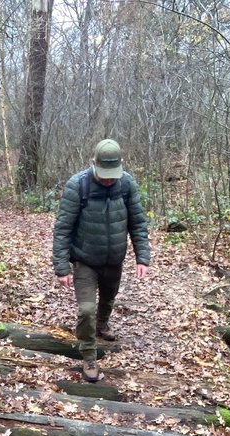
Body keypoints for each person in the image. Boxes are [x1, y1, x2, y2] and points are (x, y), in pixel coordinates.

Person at [52, 139, 150, 382]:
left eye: (112, 175)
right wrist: (62, 266)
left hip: (114, 258)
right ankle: (88, 354)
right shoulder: (78, 186)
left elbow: (137, 222)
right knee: (87, 309)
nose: (108, 180)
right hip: (85, 260)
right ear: (93, 163)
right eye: (104, 175)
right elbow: (63, 228)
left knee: (108, 299)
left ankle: (102, 326)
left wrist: (142, 257)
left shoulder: (126, 184)